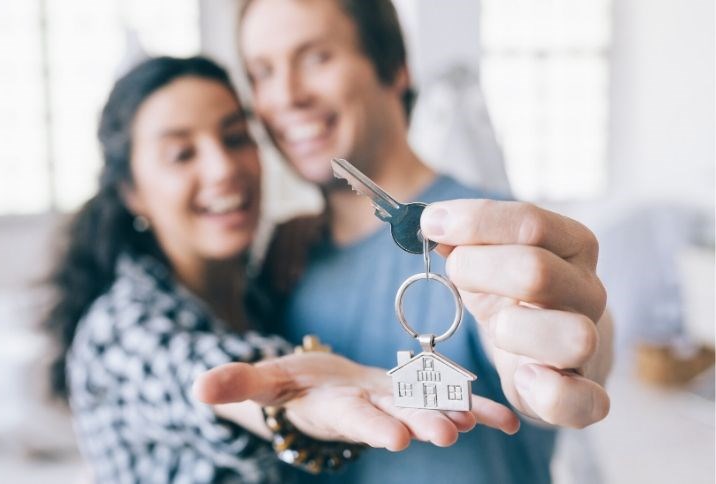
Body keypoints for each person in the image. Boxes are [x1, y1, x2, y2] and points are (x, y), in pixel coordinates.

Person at [194, 0, 615, 483]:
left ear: (394, 68)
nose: (286, 95)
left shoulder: (481, 229)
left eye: (316, 57)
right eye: (263, 71)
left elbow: (555, 327)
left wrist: (564, 353)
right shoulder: (282, 253)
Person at [43, 56, 518, 484]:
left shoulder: (270, 283)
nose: (223, 167)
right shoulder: (120, 329)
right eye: (182, 154)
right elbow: (209, 377)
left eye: (234, 137)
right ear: (131, 192)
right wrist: (292, 392)